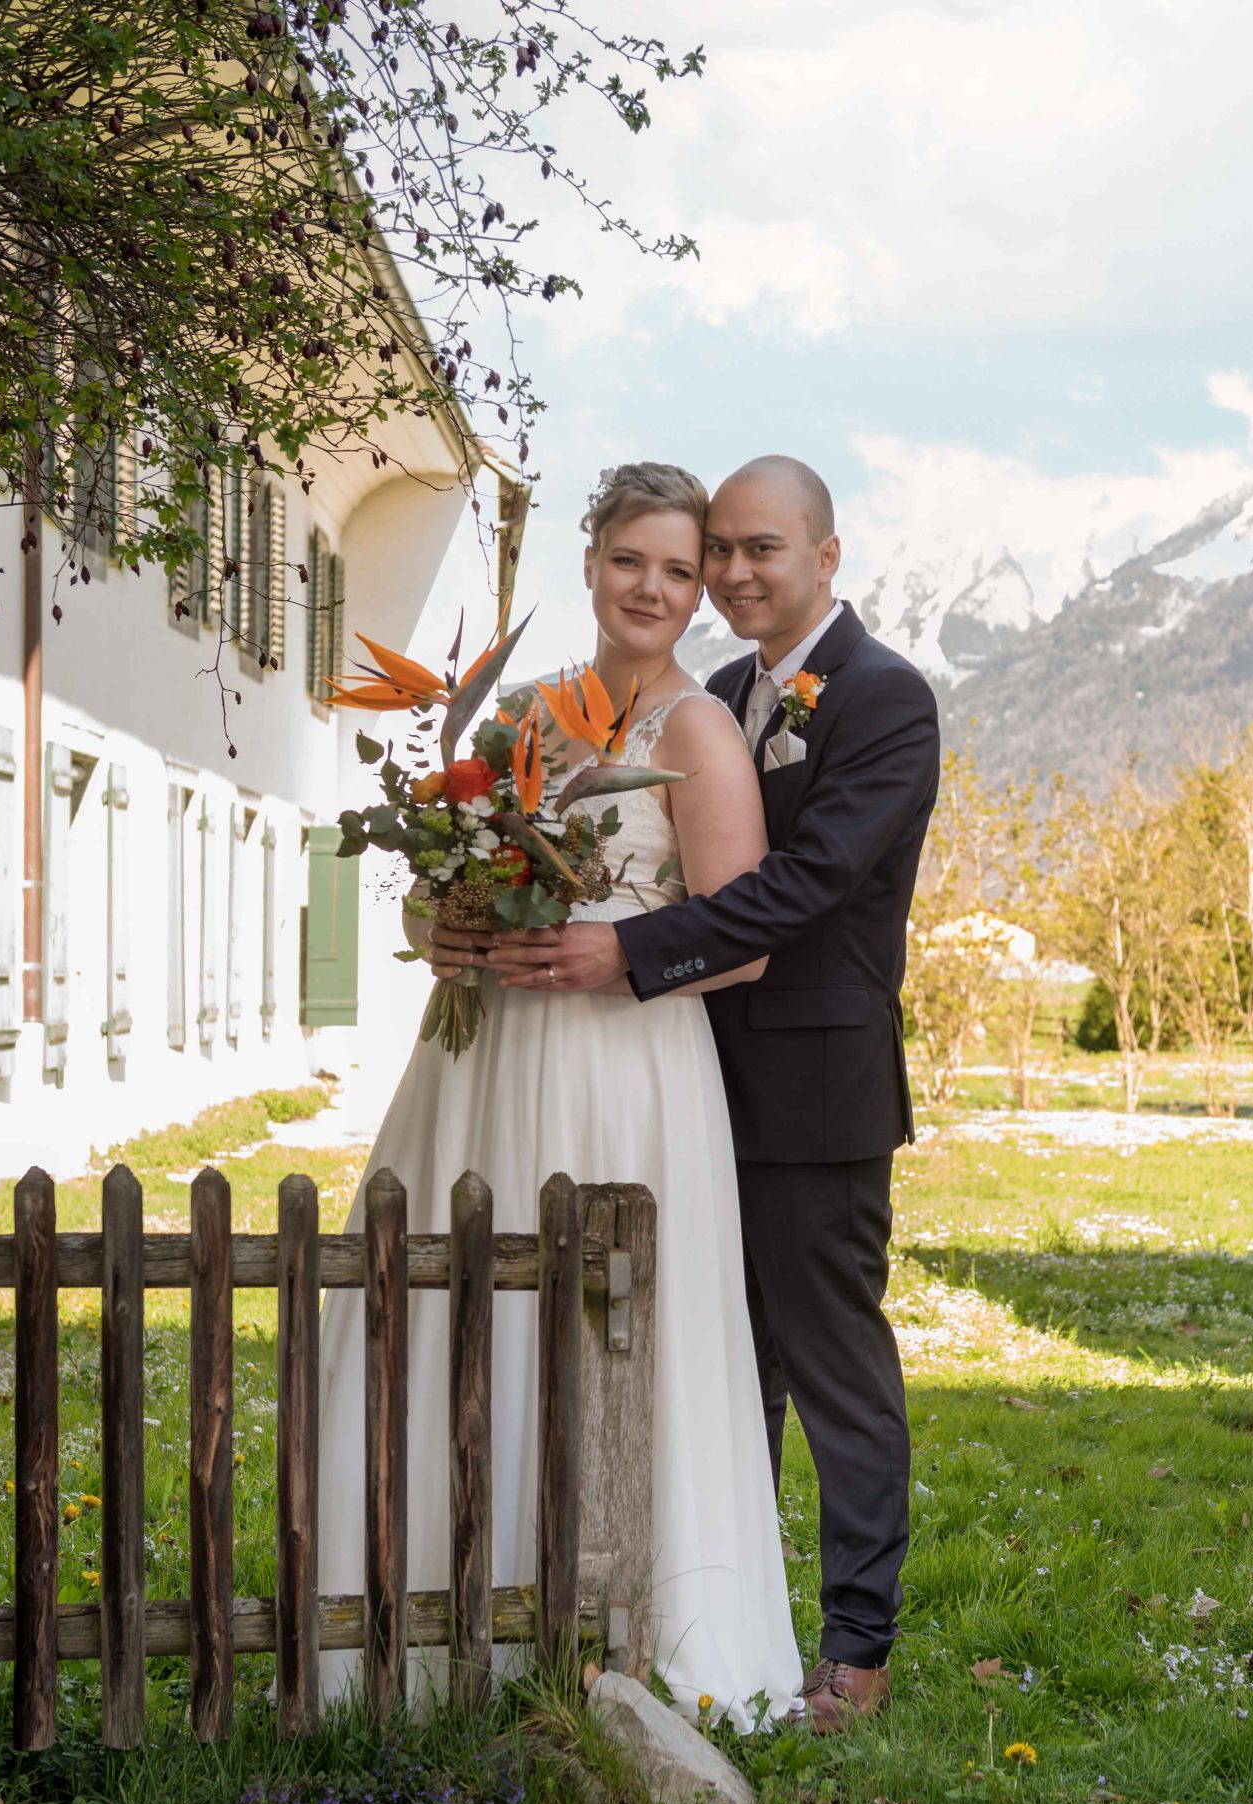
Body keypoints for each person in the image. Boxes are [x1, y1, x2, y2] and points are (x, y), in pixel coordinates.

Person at [317, 461, 803, 1727]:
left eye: (681, 570)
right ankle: (435, 1634)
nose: (653, 587)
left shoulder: (694, 730)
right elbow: (446, 881)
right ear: (588, 565)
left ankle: (643, 1641)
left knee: (609, 1324)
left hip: (623, 1063)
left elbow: (743, 936)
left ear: (702, 593)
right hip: (486, 1053)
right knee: (458, 1301)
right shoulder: (521, 714)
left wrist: (611, 955)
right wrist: (441, 919)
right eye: (631, 560)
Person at [470, 454, 941, 1730]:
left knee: (829, 1364)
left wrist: (627, 953)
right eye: (712, 551)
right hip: (685, 1080)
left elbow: (806, 886)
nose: (729, 573)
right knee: (714, 1368)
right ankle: (708, 1603)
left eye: (757, 550)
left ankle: (856, 1647)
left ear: (826, 557)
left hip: (811, 1087)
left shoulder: (888, 700)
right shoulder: (721, 691)